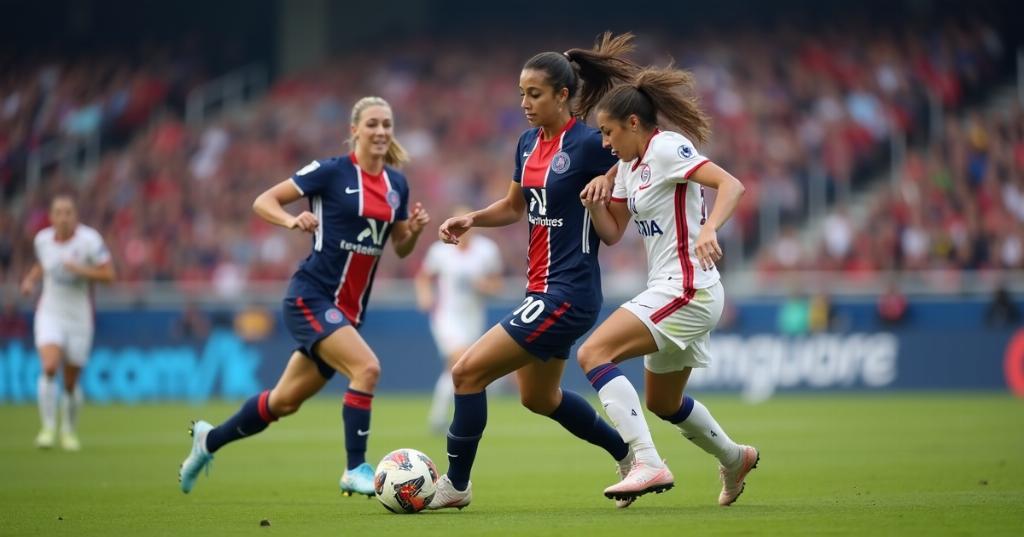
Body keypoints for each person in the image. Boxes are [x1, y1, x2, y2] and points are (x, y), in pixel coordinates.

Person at [428, 33, 643, 511]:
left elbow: (634, 156)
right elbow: (513, 206)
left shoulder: (590, 143)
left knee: (465, 373)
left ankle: (456, 485)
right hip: (541, 290)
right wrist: (472, 219)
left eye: (535, 94)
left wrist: (609, 177)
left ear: (563, 95)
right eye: (521, 94)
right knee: (538, 398)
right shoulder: (527, 143)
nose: (525, 103)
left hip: (568, 293)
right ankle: (627, 456)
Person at [177, 96, 430, 496]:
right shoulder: (330, 172)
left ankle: (207, 441)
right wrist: (292, 219)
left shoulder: (396, 184)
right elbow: (264, 201)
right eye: (373, 124)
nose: (381, 131)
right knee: (368, 369)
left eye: (387, 125)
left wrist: (413, 230)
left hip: (348, 311)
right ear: (354, 131)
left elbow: (399, 247)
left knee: (282, 402)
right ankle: (354, 467)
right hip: (311, 297)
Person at [576, 66, 759, 506]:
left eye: (608, 132)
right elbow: (613, 231)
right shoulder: (626, 166)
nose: (605, 142)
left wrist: (710, 228)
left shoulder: (667, 148)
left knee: (592, 353)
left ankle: (646, 461)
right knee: (663, 402)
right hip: (674, 288)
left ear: (634, 123)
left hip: (687, 286)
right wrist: (595, 201)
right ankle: (735, 458)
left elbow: (730, 185)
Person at [20, 194, 115, 451]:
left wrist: (80, 270)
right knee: (50, 367)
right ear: (51, 217)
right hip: (50, 311)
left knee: (71, 382)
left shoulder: (90, 241)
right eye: (59, 212)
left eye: (69, 212)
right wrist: (30, 280)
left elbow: (109, 274)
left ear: (76, 216)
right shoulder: (42, 240)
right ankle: (47, 428)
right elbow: (44, 265)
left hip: (79, 316)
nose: (64, 217)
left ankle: (68, 430)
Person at [414, 207, 504, 433]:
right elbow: (423, 277)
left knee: (461, 368)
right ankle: (452, 419)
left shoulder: (487, 250)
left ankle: (439, 418)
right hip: (446, 317)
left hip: (473, 319)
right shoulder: (440, 251)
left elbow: (497, 285)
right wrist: (425, 295)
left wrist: (485, 286)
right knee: (459, 360)